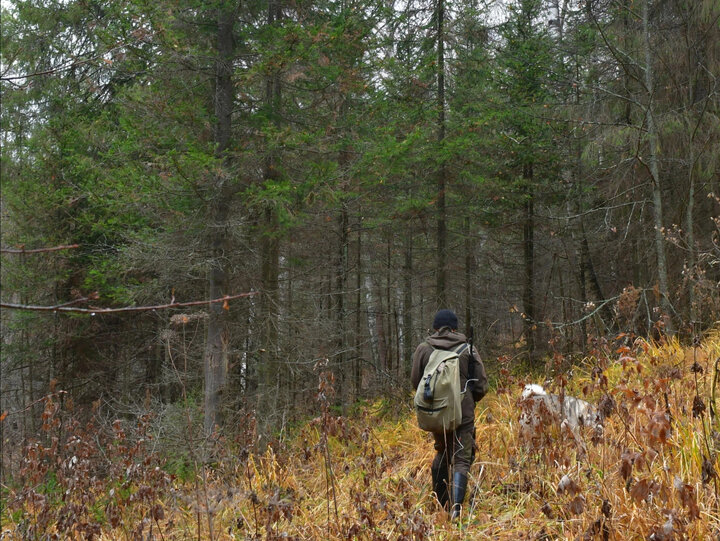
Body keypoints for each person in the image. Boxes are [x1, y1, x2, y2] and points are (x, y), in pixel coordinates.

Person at [410, 309, 488, 520]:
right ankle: (457, 510)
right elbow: (481, 385)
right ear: (455, 328)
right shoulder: (467, 349)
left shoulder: (424, 349)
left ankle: (441, 504)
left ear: (435, 328)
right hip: (463, 412)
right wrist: (470, 400)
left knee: (443, 451)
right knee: (462, 457)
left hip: (437, 413)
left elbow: (416, 383)